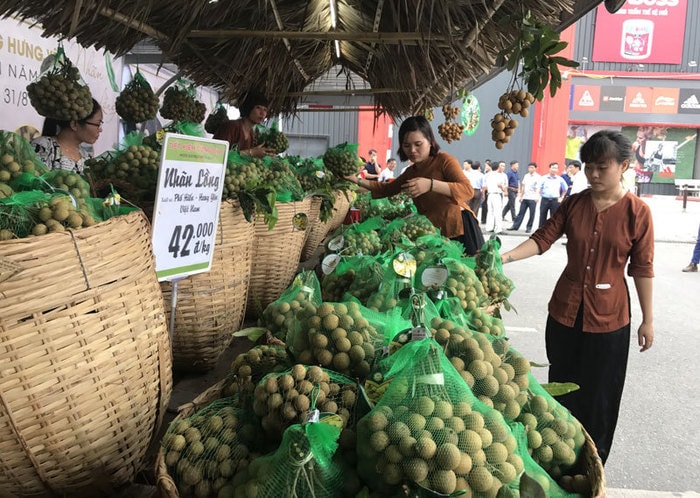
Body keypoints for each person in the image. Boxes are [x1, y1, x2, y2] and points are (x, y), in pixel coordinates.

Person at [500, 130, 654, 465]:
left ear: (624, 165)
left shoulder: (637, 212)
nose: (594, 175)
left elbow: (642, 268)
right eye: (588, 167)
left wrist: (648, 319)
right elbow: (543, 238)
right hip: (564, 313)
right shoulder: (574, 203)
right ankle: (561, 460)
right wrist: (505, 257)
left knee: (599, 397)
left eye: (602, 167)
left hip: (611, 320)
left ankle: (593, 465)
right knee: (563, 387)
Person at [344, 116, 484, 255]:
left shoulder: (444, 161)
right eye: (406, 145)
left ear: (430, 141)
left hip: (460, 228)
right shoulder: (411, 172)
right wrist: (356, 180)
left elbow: (467, 190)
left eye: (418, 144)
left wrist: (430, 184)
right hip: (435, 234)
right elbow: (386, 189)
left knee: (473, 273)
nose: (412, 150)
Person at [31, 98, 103, 174]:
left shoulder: (86, 158)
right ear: (74, 124)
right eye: (98, 124)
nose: (100, 129)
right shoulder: (43, 147)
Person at [213, 92, 275, 158]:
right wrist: (251, 152)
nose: (262, 113)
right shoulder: (231, 127)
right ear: (248, 108)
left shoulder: (251, 134)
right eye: (258, 108)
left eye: (265, 110)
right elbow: (216, 153)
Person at [507, 162, 540, 233]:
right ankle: (515, 226)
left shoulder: (538, 177)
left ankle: (529, 227)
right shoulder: (526, 176)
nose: (530, 169)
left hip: (533, 198)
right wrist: (521, 196)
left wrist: (537, 197)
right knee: (521, 212)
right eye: (529, 167)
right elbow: (523, 186)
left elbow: (538, 188)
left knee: (532, 214)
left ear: (535, 168)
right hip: (525, 197)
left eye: (532, 168)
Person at [538, 162, 568, 228]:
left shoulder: (560, 179)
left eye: (556, 168)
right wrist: (538, 195)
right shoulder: (544, 178)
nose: (555, 169)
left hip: (555, 200)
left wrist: (562, 197)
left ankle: (552, 233)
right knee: (542, 216)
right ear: (549, 168)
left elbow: (565, 188)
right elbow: (538, 187)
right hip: (545, 200)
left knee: (554, 217)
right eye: (553, 168)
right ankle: (540, 232)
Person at [483, 161, 508, 234]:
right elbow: (500, 185)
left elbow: (485, 186)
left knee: (490, 211)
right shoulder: (499, 175)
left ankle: (489, 227)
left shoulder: (487, 175)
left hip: (489, 194)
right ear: (498, 167)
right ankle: (498, 229)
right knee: (498, 212)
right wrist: (503, 189)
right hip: (496, 194)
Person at [480, 160, 492, 225]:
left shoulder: (491, 174)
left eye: (487, 166)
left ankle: (486, 219)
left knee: (488, 206)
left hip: (490, 191)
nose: (486, 167)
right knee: (484, 205)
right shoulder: (485, 173)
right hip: (485, 190)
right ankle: (483, 219)